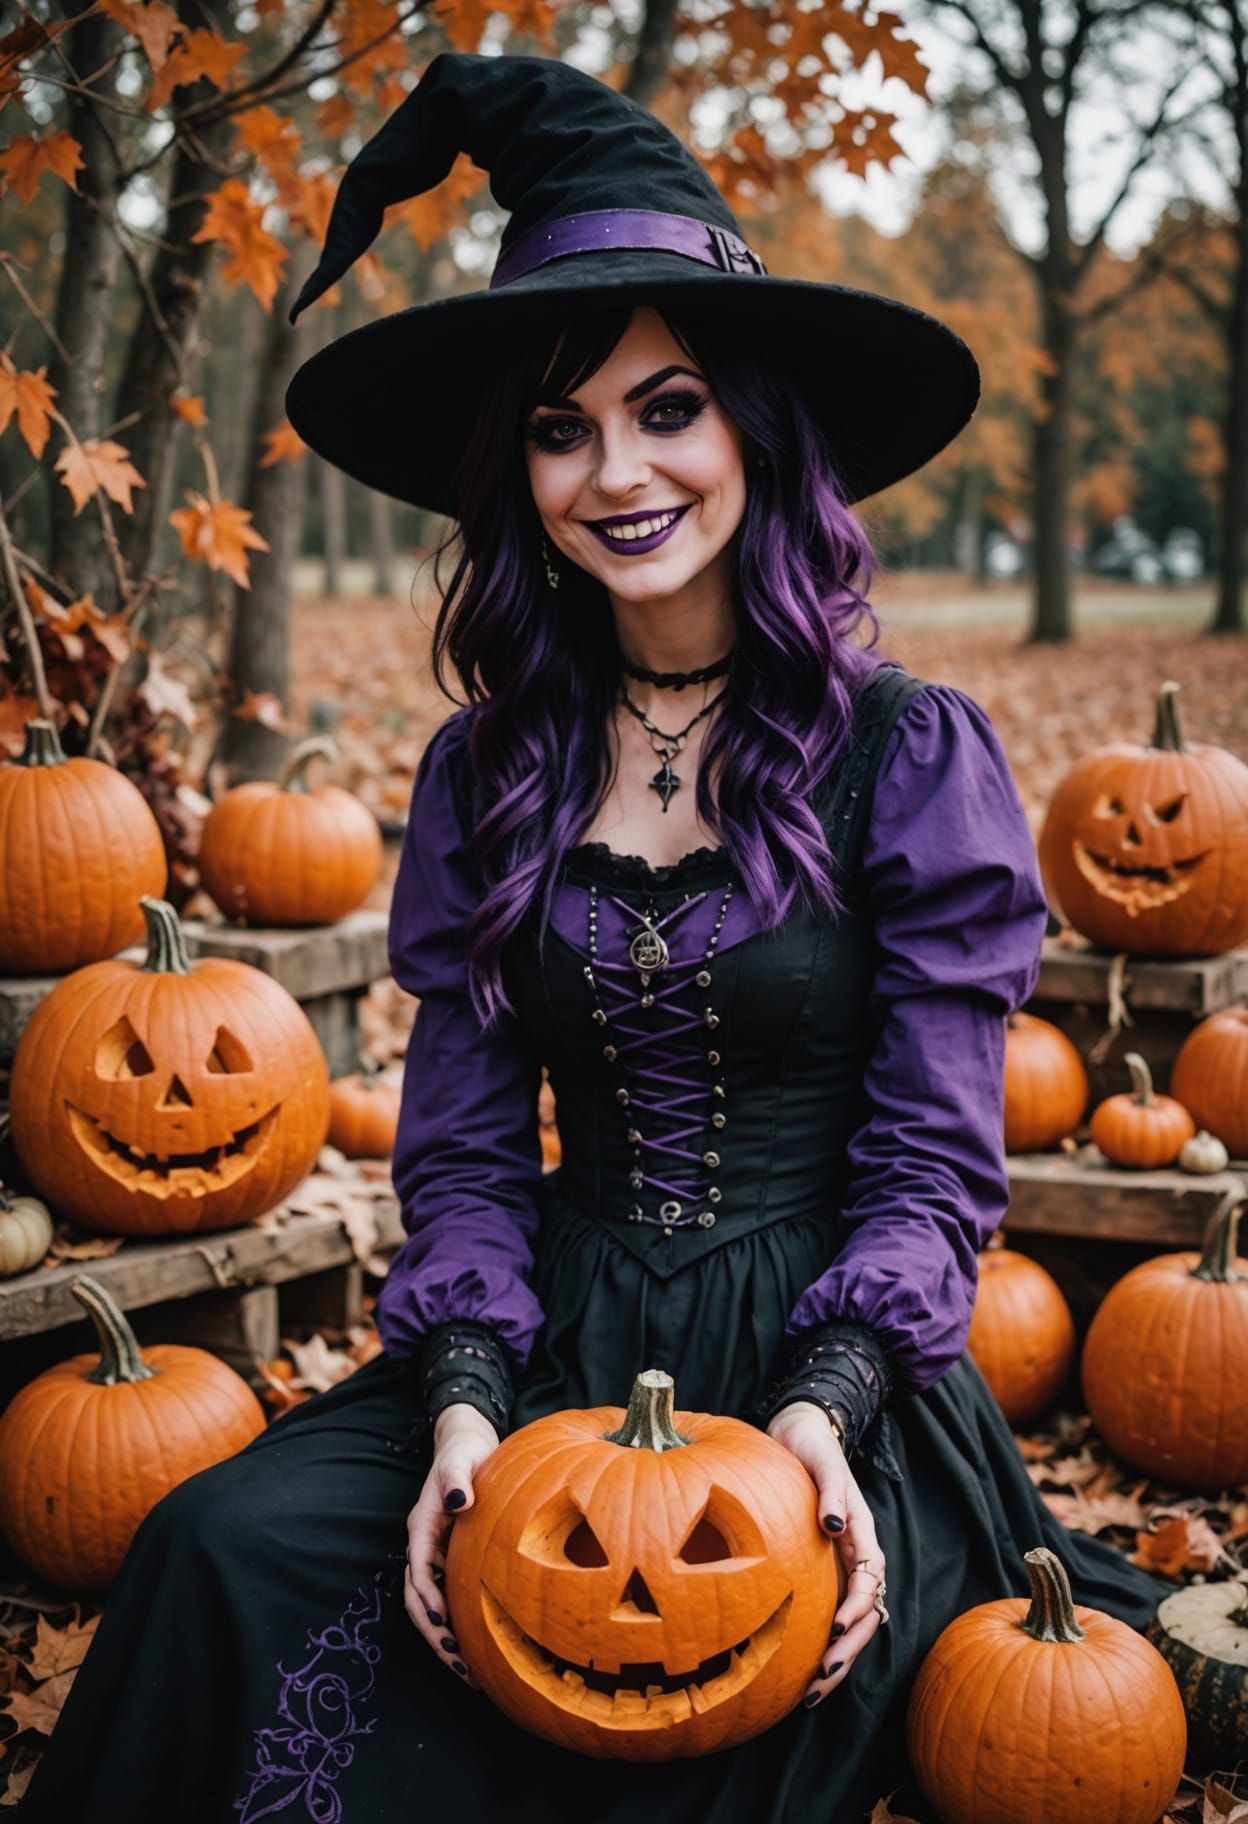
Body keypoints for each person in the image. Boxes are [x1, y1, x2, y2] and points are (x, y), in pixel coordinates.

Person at [19, 52, 1167, 1824]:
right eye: (560, 429)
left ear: (757, 428)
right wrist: (467, 1406)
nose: (614, 472)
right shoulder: (495, 768)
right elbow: (466, 1139)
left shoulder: (904, 754)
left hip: (831, 1364)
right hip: (544, 1331)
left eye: (667, 407)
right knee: (215, 1546)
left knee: (681, 1721)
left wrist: (825, 1417)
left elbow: (938, 1162)